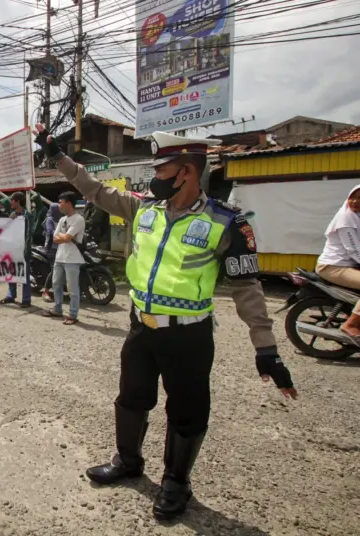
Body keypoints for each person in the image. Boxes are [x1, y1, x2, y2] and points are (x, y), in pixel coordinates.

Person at [33, 124, 298, 520]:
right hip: (141, 327)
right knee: (131, 398)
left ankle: (177, 481)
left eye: (160, 170)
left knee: (187, 412)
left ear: (185, 172)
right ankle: (127, 461)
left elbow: (248, 289)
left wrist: (266, 349)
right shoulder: (144, 208)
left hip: (189, 334)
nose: (154, 178)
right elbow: (93, 188)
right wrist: (57, 155)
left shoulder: (227, 222)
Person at [315, 185, 360, 344]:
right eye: (352, 197)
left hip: (347, 266)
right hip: (332, 267)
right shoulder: (346, 218)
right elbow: (353, 249)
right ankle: (350, 324)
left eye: (359, 198)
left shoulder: (357, 216)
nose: (355, 201)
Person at [43, 192, 85, 325]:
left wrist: (64, 236)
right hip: (59, 257)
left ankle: (73, 315)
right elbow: (55, 239)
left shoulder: (79, 219)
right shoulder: (61, 220)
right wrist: (65, 236)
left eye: (61, 202)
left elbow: (66, 238)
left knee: (72, 288)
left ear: (69, 203)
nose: (59, 205)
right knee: (56, 285)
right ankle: (58, 309)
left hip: (72, 258)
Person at [0, 192, 33, 308]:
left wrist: (26, 251)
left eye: (12, 200)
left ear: (18, 201)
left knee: (25, 275)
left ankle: (26, 299)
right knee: (11, 272)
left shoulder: (27, 216)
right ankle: (11, 295)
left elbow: (28, 235)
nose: (10, 202)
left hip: (23, 250)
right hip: (12, 250)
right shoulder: (12, 215)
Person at [41, 203, 62, 302]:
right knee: (55, 270)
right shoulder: (49, 220)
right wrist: (63, 235)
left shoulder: (62, 219)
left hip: (61, 247)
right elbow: (50, 231)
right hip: (51, 248)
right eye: (58, 209)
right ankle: (45, 291)